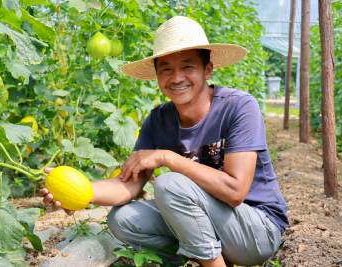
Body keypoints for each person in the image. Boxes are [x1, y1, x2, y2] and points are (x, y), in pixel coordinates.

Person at [40, 16, 289, 267]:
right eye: (166, 69)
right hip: (210, 227)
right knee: (121, 219)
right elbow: (129, 185)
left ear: (208, 69)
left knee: (169, 183)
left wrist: (168, 157)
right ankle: (204, 255)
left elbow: (235, 193)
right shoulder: (157, 120)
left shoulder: (239, 107)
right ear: (157, 75)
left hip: (256, 230)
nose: (176, 77)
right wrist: (80, 192)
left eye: (188, 67)